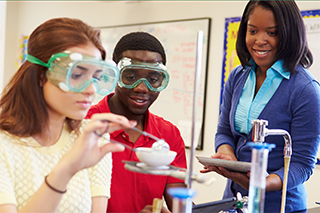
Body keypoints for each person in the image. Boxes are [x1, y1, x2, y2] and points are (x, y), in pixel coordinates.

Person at [0, 17, 138, 213]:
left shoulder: (93, 138)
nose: (91, 89)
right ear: (41, 76)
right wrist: (67, 169)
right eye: (76, 75)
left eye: (96, 77)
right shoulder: (3, 145)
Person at [201, 1, 320, 212]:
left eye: (272, 33)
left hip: (282, 206)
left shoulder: (305, 90)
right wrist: (227, 155)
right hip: (235, 201)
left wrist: (263, 184)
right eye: (252, 30)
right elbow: (225, 132)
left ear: (289, 35)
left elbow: (302, 164)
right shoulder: (238, 77)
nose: (260, 40)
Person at [86, 32, 187, 212]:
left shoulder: (169, 134)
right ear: (115, 75)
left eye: (153, 79)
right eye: (130, 77)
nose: (142, 87)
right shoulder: (85, 124)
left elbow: (180, 205)